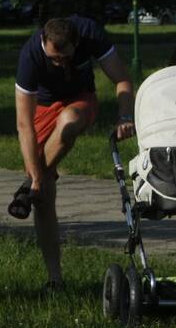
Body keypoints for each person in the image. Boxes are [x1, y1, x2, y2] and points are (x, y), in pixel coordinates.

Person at [8, 16, 135, 289]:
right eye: (54, 59)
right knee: (42, 197)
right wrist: (37, 176)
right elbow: (23, 123)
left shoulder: (89, 32)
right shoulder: (30, 55)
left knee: (68, 120)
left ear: (77, 44)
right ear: (43, 41)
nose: (59, 64)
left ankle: (29, 182)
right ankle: (55, 278)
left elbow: (122, 79)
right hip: (41, 111)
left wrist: (125, 116)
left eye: (65, 58)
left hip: (80, 102)